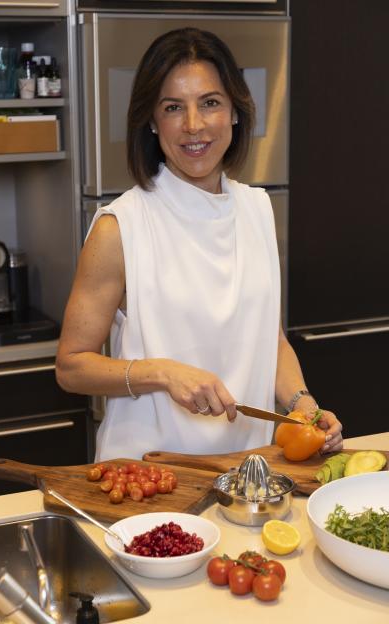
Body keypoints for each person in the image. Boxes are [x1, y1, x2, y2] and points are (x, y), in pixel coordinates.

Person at [56, 27, 343, 461]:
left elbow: (268, 337)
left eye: (210, 102)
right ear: (152, 120)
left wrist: (302, 404)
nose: (194, 125)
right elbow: (71, 366)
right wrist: (163, 373)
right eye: (173, 107)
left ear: (234, 111)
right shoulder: (121, 226)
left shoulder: (258, 210)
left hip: (249, 472)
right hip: (149, 478)